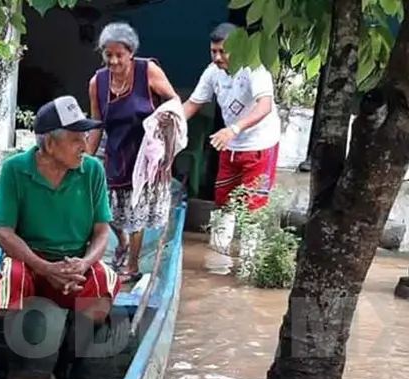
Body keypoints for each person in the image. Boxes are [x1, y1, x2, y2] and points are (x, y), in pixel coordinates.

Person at [0, 95, 118, 379]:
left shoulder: (92, 170)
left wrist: (82, 264)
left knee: (104, 281)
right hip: (30, 261)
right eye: (75, 138)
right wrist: (45, 268)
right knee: (10, 278)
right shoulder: (15, 169)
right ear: (50, 145)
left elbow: (101, 232)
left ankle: (67, 369)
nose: (85, 144)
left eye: (85, 136)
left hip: (73, 263)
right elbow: (3, 232)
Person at [87, 21, 180, 283]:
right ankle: (122, 241)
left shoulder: (148, 70)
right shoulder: (97, 82)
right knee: (105, 209)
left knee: (135, 212)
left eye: (120, 54)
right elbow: (96, 124)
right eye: (108, 55)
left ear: (131, 52)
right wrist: (85, 160)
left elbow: (173, 101)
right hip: (116, 152)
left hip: (146, 156)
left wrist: (162, 123)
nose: (114, 61)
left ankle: (132, 266)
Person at [182, 22, 282, 254]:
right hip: (231, 145)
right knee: (223, 201)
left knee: (253, 208)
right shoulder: (212, 72)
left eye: (222, 51)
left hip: (260, 144)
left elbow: (265, 106)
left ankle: (249, 263)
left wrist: (234, 129)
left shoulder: (255, 69)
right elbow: (193, 104)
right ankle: (217, 256)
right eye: (213, 51)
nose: (217, 57)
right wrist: (170, 122)